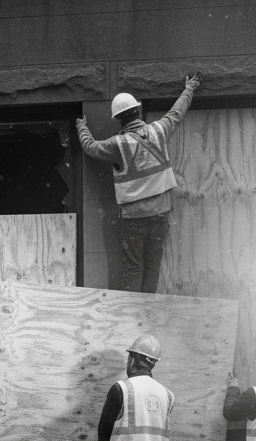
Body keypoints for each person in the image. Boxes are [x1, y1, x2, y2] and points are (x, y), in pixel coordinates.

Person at [76, 76, 200, 294]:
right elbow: (177, 112)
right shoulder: (159, 130)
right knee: (152, 268)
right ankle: (147, 311)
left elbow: (91, 147)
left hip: (133, 219)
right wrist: (189, 88)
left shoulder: (117, 144)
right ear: (138, 111)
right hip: (160, 213)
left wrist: (81, 126)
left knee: (133, 269)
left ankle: (131, 313)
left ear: (118, 119)